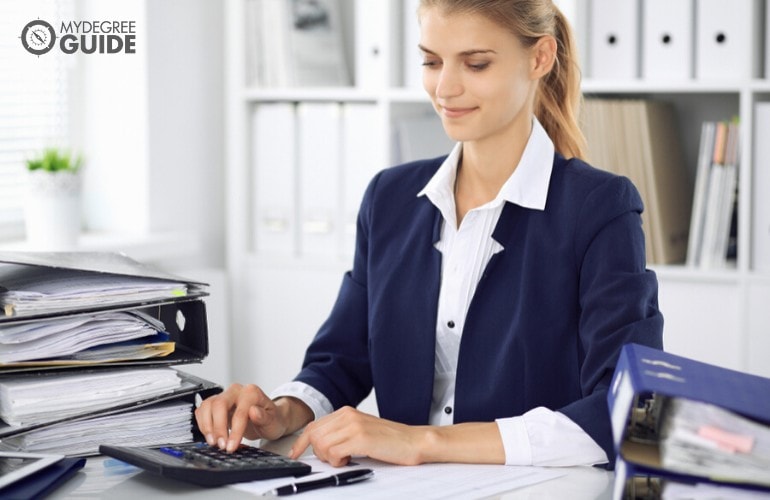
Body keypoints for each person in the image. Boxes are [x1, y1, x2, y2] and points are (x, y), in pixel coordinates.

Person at [196, 0, 663, 469]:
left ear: (540, 58)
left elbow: (624, 408)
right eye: (431, 61)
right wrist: (280, 414)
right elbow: (342, 359)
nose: (445, 88)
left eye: (476, 63)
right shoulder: (390, 198)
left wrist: (421, 442)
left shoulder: (600, 208)